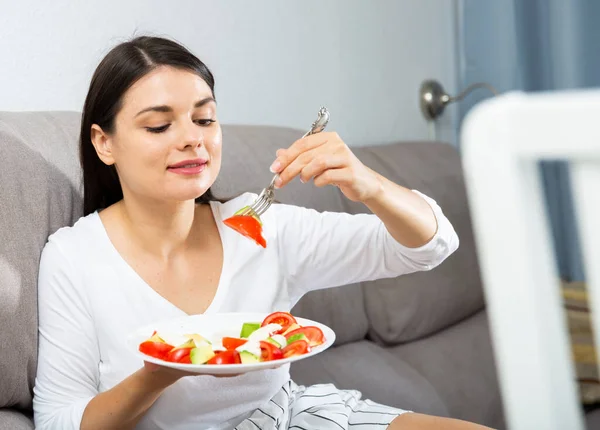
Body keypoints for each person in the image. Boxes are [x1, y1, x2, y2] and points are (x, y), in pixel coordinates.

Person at [32, 36, 492, 430]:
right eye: (159, 125)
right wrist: (156, 376)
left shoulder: (259, 226)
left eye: (205, 118)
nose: (193, 138)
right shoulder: (75, 256)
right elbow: (58, 421)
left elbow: (430, 245)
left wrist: (366, 183)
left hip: (287, 416)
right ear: (103, 142)